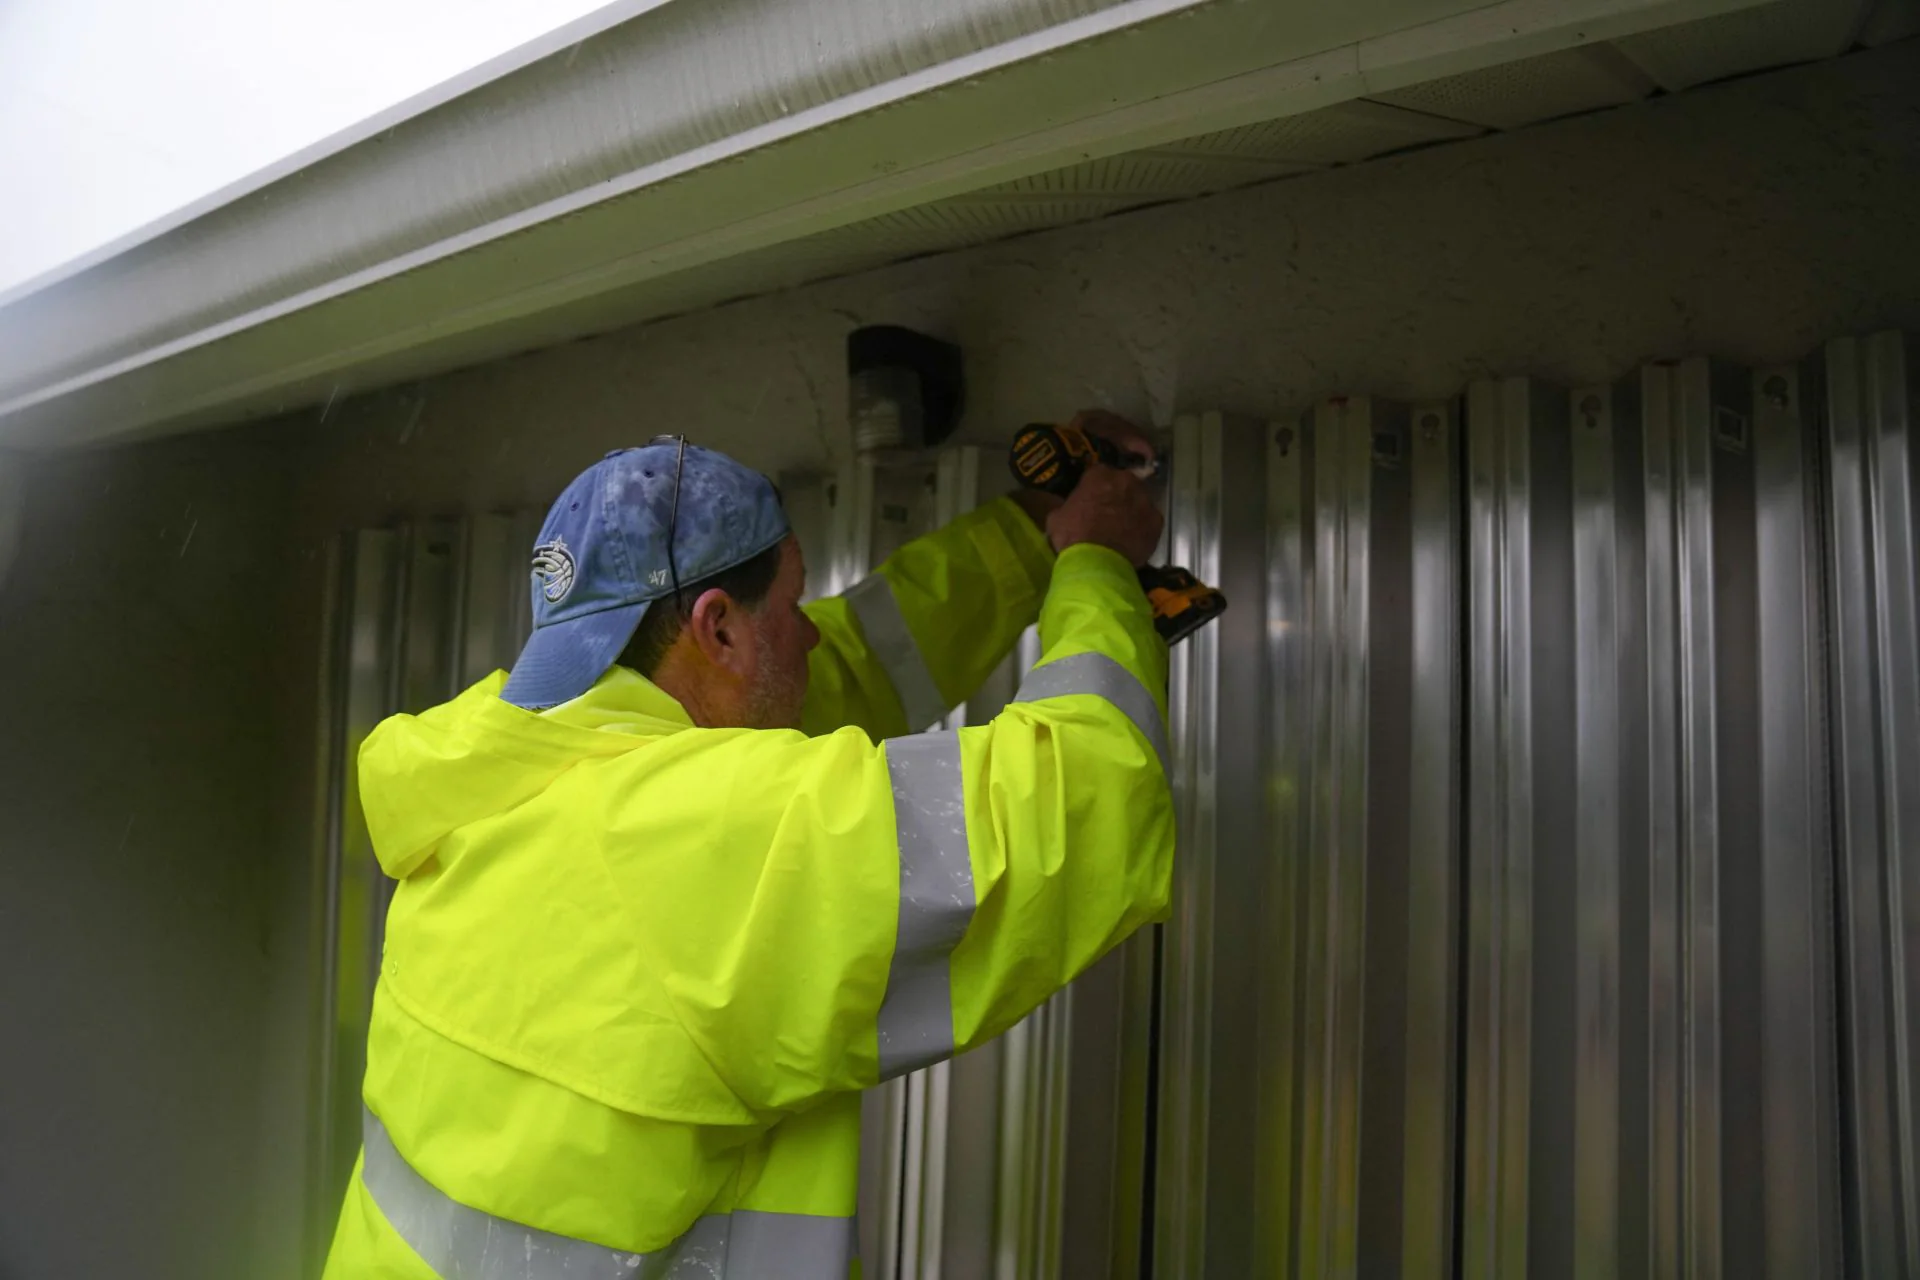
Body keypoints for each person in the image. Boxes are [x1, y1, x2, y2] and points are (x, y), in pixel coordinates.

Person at [323, 413, 1177, 1279]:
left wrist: (1032, 536)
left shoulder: (488, 781)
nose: (812, 632)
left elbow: (835, 672)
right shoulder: (702, 842)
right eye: (796, 605)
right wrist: (1095, 566)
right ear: (718, 628)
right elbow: (1088, 791)